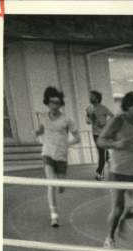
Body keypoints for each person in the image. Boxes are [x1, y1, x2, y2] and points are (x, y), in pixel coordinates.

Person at [96, 91, 133, 249]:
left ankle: (124, 219)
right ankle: (110, 238)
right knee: (118, 207)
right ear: (128, 108)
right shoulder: (118, 121)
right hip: (117, 172)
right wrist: (116, 144)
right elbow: (101, 140)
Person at [34, 86, 80, 228]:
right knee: (51, 184)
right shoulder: (42, 117)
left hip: (61, 157)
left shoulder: (67, 120)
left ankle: (61, 185)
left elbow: (77, 138)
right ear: (47, 102)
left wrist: (66, 144)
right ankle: (54, 215)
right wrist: (37, 134)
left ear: (61, 104)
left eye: (57, 103)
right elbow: (40, 131)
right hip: (47, 154)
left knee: (60, 186)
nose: (54, 106)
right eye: (52, 102)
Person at [86, 90, 113, 180]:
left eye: (92, 96)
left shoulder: (103, 108)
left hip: (104, 134)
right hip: (95, 134)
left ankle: (99, 172)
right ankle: (108, 156)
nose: (90, 98)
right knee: (101, 151)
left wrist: (106, 124)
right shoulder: (89, 108)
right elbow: (87, 121)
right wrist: (90, 120)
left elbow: (113, 117)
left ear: (97, 98)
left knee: (101, 153)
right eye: (90, 96)